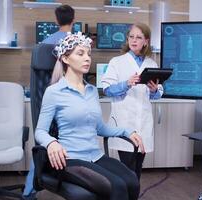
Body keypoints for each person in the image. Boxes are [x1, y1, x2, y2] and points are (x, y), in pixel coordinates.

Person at [35, 31, 144, 200]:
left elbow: (100, 128)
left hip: (95, 155)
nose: (87, 58)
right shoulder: (54, 92)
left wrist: (127, 132)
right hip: (71, 158)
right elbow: (40, 131)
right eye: (80, 53)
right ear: (65, 58)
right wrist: (51, 143)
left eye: (88, 54)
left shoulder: (92, 91)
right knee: (117, 186)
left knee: (132, 181)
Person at [22, 5, 75, 199]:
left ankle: (30, 190)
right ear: (73, 20)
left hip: (46, 109)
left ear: (56, 20)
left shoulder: (43, 44)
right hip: (69, 108)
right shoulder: (76, 45)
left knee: (44, 147)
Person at [101, 22, 163, 180]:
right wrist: (126, 84)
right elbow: (107, 89)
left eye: (139, 37)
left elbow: (158, 93)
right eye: (131, 36)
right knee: (127, 168)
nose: (134, 40)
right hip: (124, 121)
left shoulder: (152, 64)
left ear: (146, 41)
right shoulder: (117, 62)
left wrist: (154, 90)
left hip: (143, 122)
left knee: (137, 168)